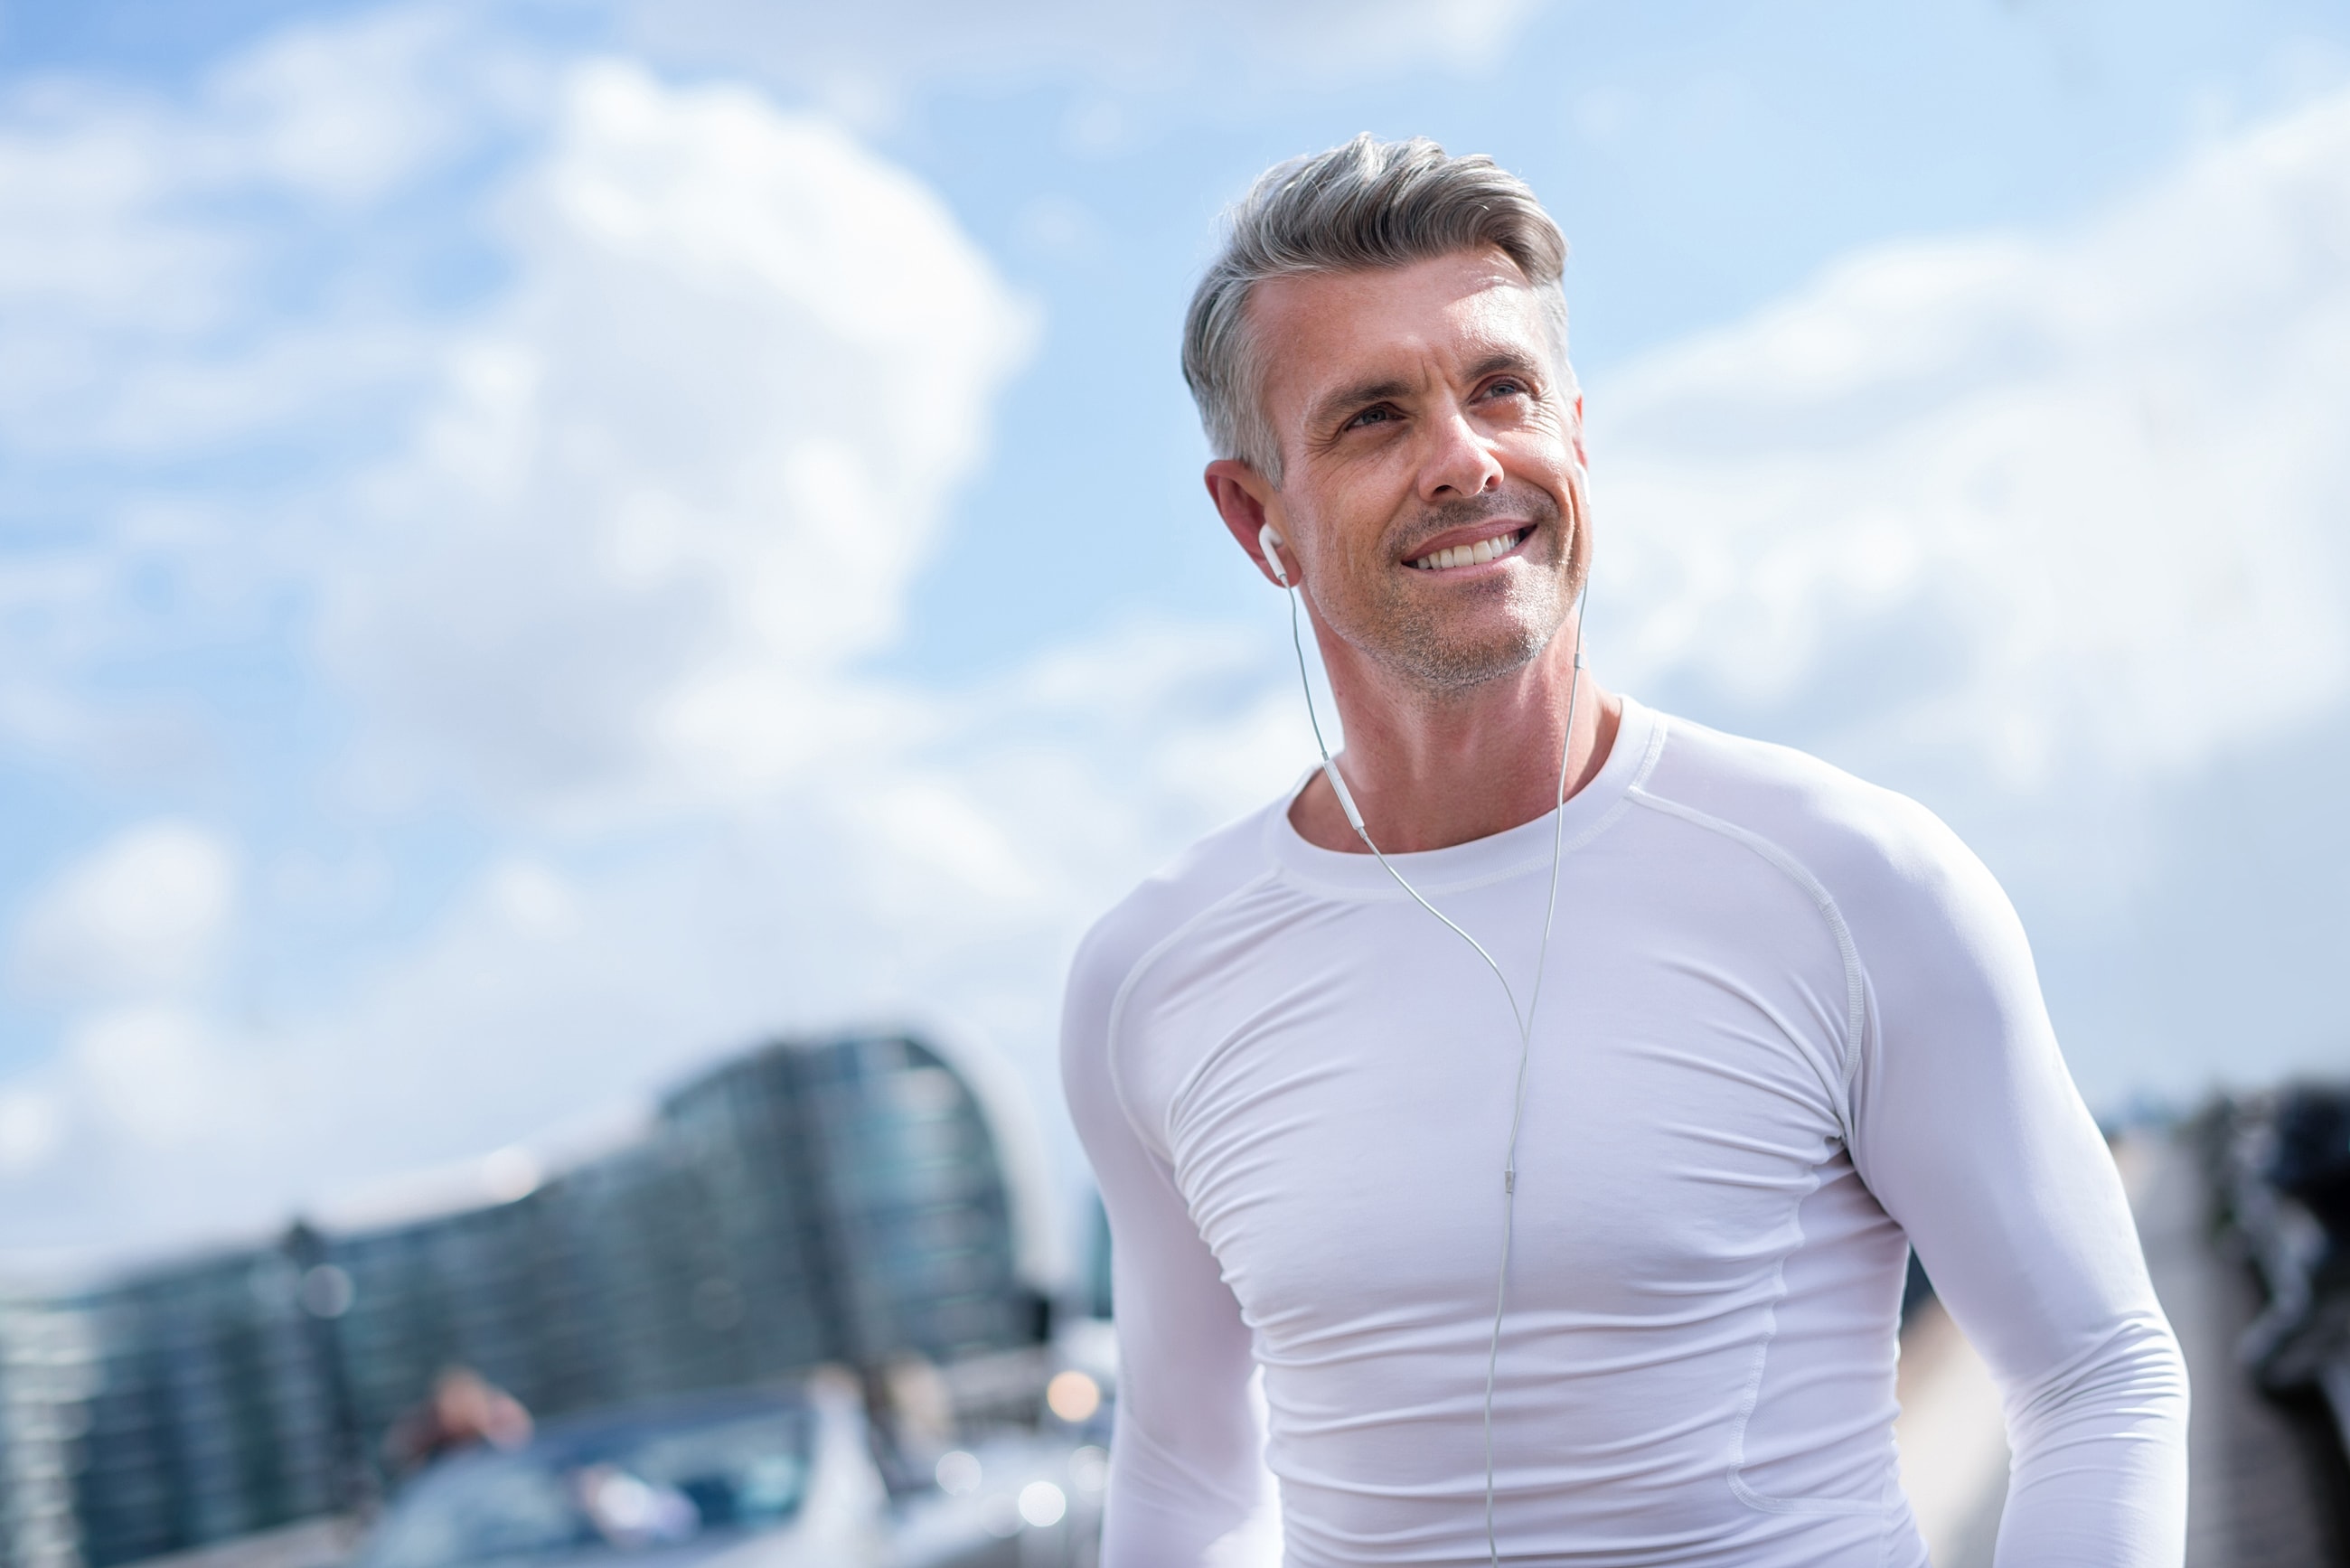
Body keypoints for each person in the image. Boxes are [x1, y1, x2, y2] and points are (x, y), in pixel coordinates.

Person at [1060, 136, 2187, 1567]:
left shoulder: (1851, 882)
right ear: (1256, 519)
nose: (1464, 459)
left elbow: (2098, 1376)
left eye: (1500, 389)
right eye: (1373, 419)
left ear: (1576, 433)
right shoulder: (1148, 980)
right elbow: (1185, 1477)